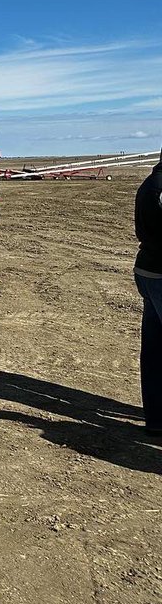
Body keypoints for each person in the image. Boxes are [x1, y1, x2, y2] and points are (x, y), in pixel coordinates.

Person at [135, 150, 162, 435]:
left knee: (154, 350)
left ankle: (155, 418)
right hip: (159, 271)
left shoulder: (150, 183)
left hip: (148, 269)